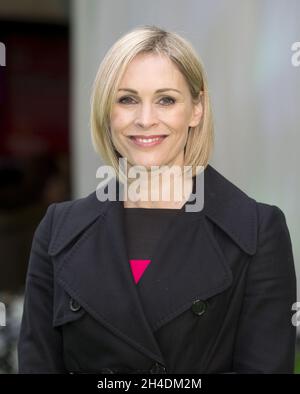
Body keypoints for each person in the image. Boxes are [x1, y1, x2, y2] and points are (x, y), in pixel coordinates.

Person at [18, 25, 297, 374]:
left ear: (196, 108)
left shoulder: (257, 231)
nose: (145, 120)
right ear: (108, 111)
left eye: (166, 99)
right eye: (127, 99)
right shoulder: (59, 230)